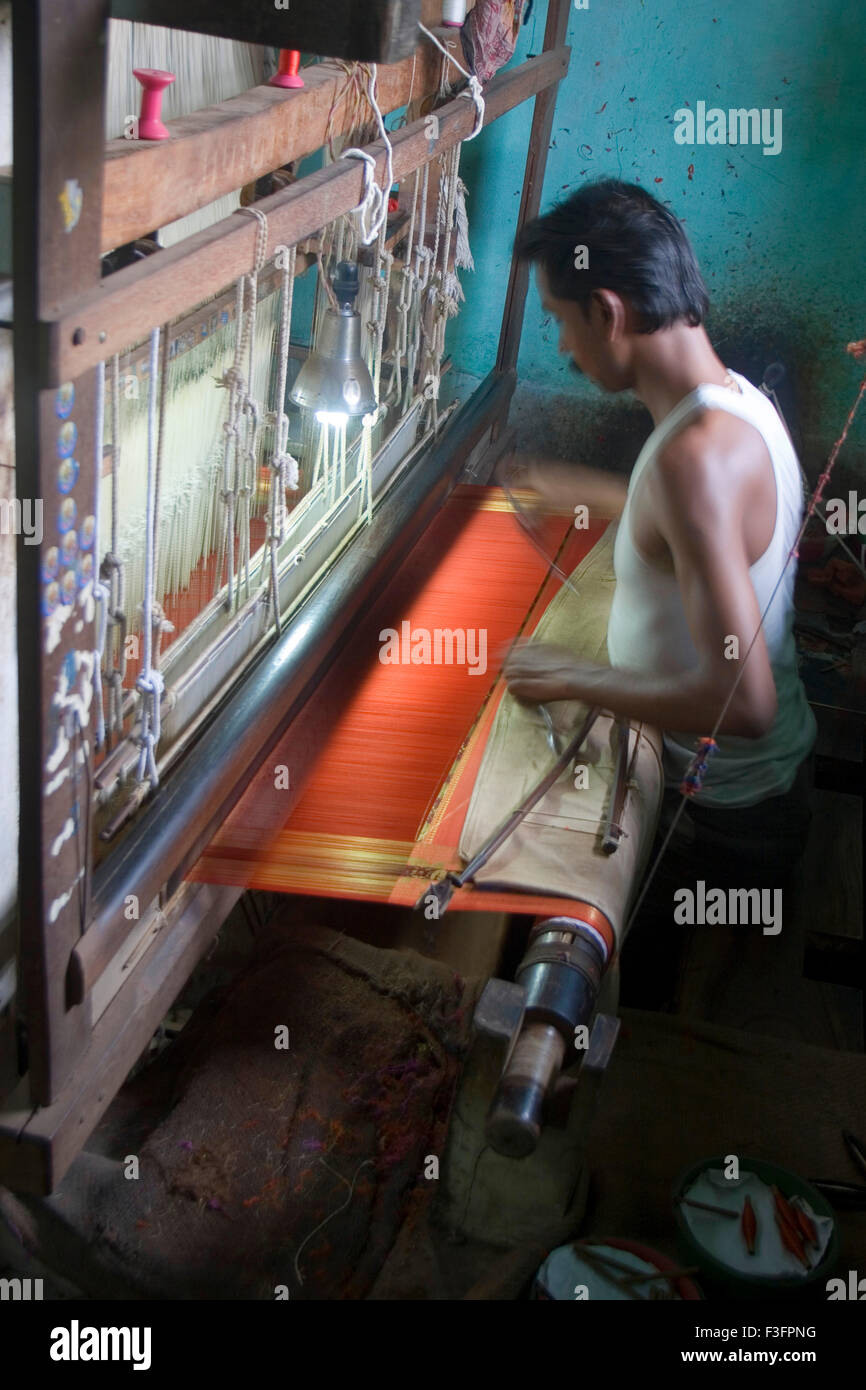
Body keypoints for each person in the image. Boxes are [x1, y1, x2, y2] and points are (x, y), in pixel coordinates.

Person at [501, 179, 816, 1005]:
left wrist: (569, 676)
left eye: (560, 323)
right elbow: (683, 529)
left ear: (606, 312)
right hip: (758, 798)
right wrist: (572, 484)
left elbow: (741, 705)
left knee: (633, 1001)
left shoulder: (694, 461)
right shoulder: (736, 403)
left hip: (717, 825)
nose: (563, 349)